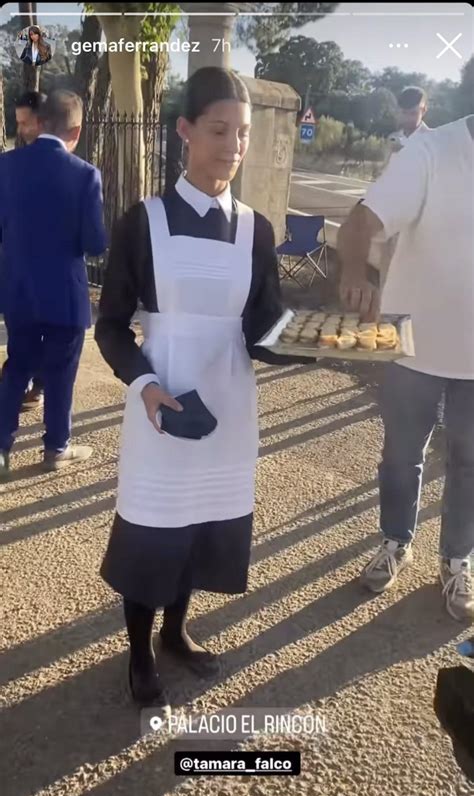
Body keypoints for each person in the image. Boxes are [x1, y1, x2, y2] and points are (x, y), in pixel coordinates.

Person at [95, 67, 312, 707]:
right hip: (163, 409)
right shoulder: (146, 222)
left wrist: (312, 347)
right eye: (219, 129)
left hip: (230, 411)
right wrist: (147, 384)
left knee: (199, 527)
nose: (232, 145)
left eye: (242, 134)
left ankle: (176, 633)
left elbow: (261, 331)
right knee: (152, 531)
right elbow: (109, 328)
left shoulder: (255, 230)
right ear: (186, 131)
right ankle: (139, 653)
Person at [338, 115, 474, 622]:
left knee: (470, 463)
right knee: (401, 456)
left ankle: (457, 559)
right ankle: (397, 541)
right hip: (411, 346)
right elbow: (362, 222)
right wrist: (355, 270)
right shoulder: (430, 152)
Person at [0, 90, 107, 480]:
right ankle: (56, 447)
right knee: (61, 373)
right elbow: (95, 244)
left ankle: (1, 447)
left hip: (18, 289)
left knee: (17, 367)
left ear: (40, 123)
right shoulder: (85, 175)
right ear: (76, 130)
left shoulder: (5, 166)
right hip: (64, 292)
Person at [0, 92, 48, 409]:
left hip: (44, 262)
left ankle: (31, 383)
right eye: (17, 123)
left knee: (39, 330)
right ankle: (23, 382)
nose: (21, 130)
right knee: (22, 330)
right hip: (14, 262)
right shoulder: (11, 165)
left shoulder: (63, 163)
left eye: (26, 123)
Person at [388, 86, 431, 153]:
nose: (408, 118)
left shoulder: (431, 141)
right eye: (404, 112)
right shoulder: (393, 138)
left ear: (424, 110)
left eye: (413, 113)